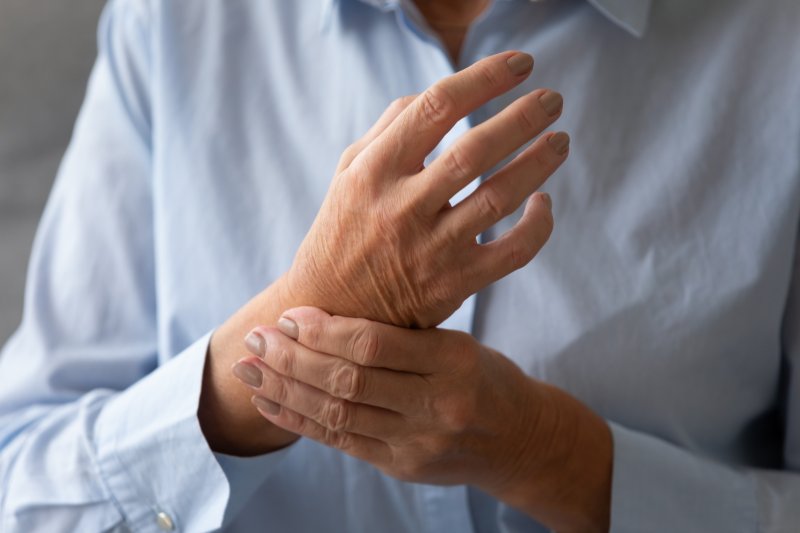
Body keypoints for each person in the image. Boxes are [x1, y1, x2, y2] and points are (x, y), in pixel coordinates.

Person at [1, 0, 799, 531]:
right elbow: (20, 484)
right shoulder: (174, 24)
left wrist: (555, 456)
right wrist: (302, 323)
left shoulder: (778, 45)